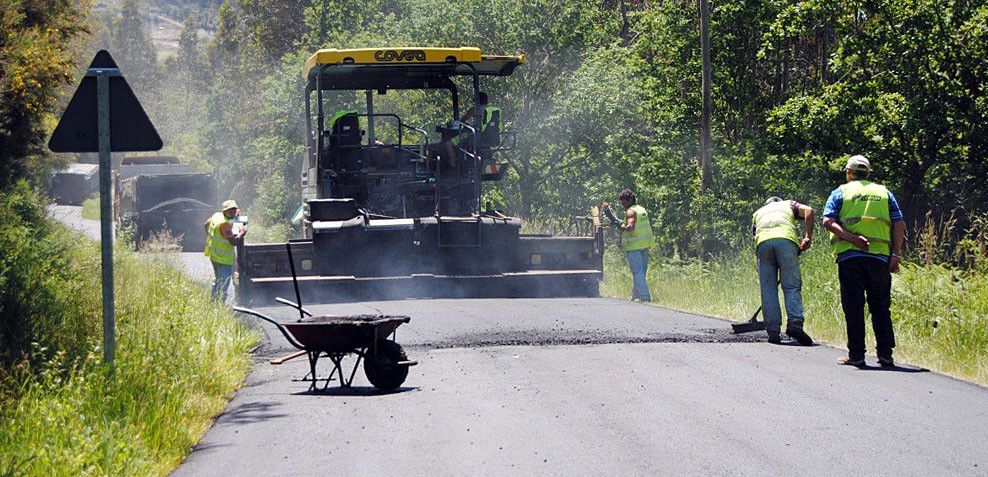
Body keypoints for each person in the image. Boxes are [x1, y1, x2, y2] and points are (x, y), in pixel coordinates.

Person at [822, 155, 906, 367]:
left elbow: (828, 221)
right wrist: (895, 254)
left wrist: (852, 239)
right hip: (880, 258)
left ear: (848, 173)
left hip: (850, 257)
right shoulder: (884, 193)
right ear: (868, 173)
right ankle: (885, 355)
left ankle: (856, 355)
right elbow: (899, 224)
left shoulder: (840, 192)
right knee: (880, 307)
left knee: (854, 306)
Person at [751, 197, 815, 345]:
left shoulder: (758, 213)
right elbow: (809, 211)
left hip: (763, 244)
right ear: (778, 201)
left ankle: (773, 330)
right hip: (786, 241)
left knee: (768, 289)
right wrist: (807, 237)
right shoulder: (789, 204)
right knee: (791, 286)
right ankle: (795, 325)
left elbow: (754, 236)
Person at [605, 189, 655, 302]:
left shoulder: (630, 211)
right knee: (641, 273)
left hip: (634, 247)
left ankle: (644, 297)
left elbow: (630, 227)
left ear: (629, 201)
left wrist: (620, 225)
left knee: (637, 273)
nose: (622, 205)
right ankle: (636, 296)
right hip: (644, 245)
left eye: (623, 203)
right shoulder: (641, 209)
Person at [204, 200, 247, 302]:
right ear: (224, 211)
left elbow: (206, 224)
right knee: (224, 283)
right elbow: (234, 242)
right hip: (223, 259)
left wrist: (214, 236)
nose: (233, 214)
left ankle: (213, 301)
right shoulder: (225, 224)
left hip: (214, 255)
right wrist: (242, 232)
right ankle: (219, 305)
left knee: (218, 280)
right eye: (230, 212)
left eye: (234, 211)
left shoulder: (216, 216)